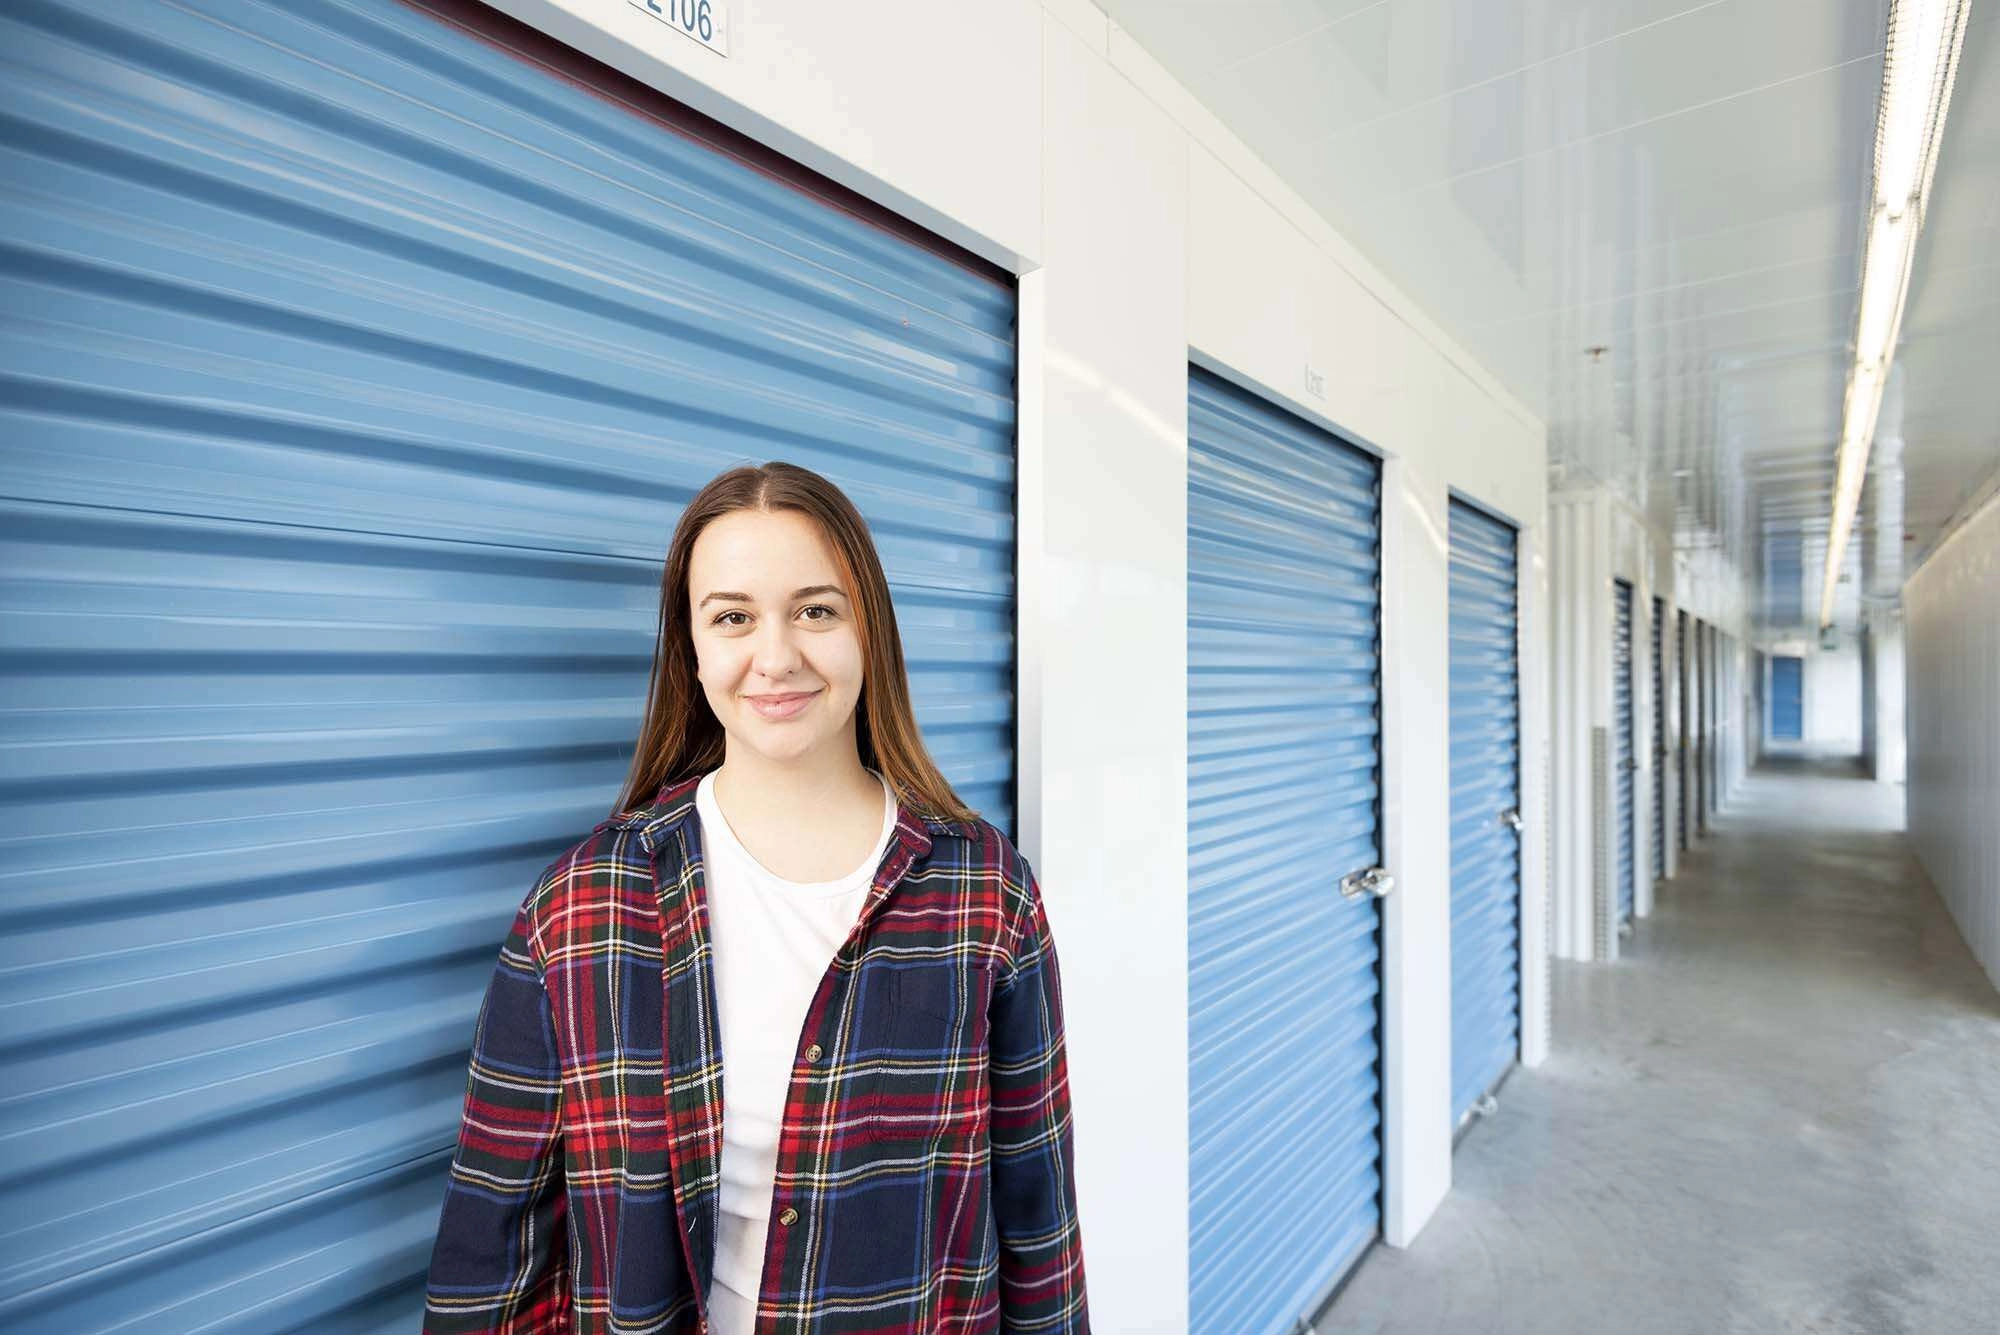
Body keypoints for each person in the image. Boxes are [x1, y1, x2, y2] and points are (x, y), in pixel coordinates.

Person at [422, 462, 1089, 1334]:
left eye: (816, 609)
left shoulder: (986, 898)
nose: (775, 657)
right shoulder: (578, 912)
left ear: (868, 631)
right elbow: (491, 1261)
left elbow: (1039, 1231)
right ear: (692, 648)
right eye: (733, 617)